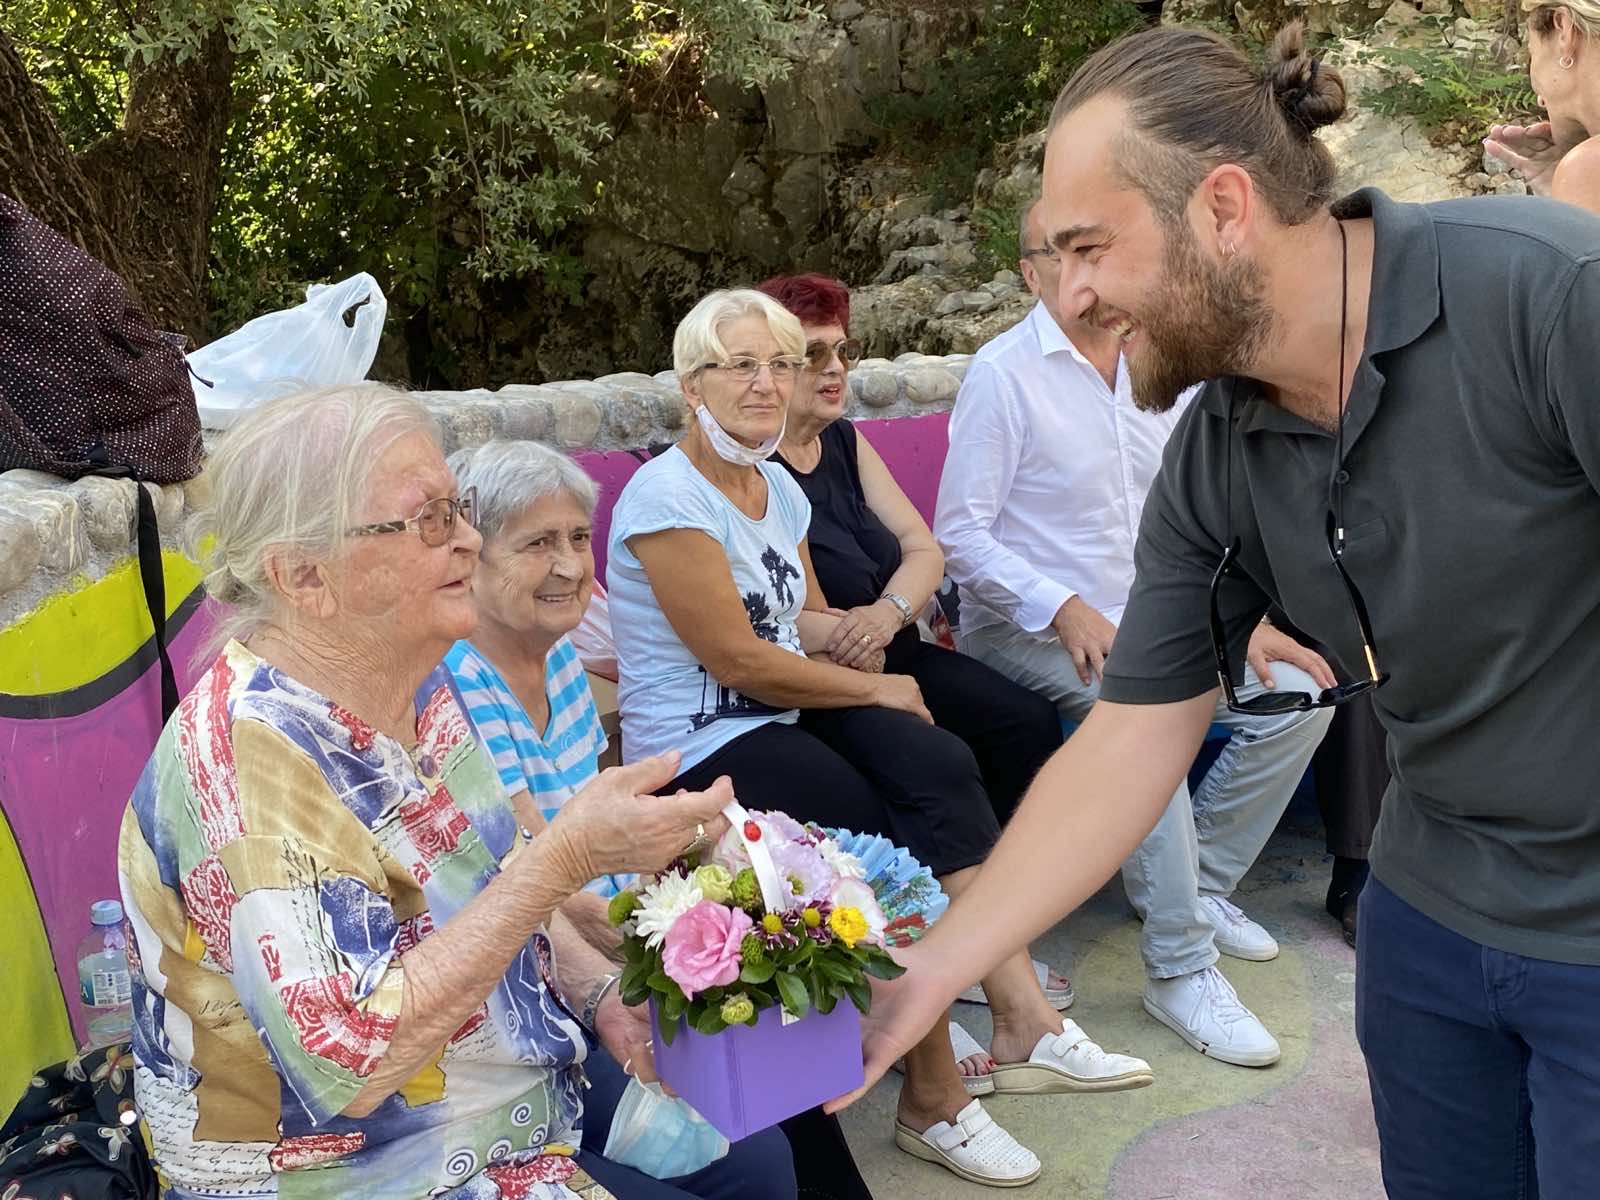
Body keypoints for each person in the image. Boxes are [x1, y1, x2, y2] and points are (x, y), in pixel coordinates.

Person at [836, 22, 1600, 1200]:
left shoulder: (1547, 293)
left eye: (1090, 248)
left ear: (1223, 210)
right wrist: (937, 969)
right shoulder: (1217, 441)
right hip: (1429, 924)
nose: (1072, 295)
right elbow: (1136, 730)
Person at [117, 384, 796, 1200]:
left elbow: (494, 868)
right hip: (350, 1161)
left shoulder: (416, 681)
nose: (471, 541)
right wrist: (567, 858)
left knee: (757, 1157)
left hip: (500, 1078)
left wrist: (599, 991)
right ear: (305, 577)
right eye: (432, 519)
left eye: (459, 512)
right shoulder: (248, 762)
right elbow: (348, 1068)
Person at [606, 289, 1150, 1190]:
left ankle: (1002, 1004)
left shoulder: (776, 485)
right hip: (697, 741)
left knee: (933, 759)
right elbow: (739, 659)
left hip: (782, 710)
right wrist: (878, 684)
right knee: (862, 831)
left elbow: (803, 622)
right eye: (741, 364)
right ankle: (933, 1092)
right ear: (690, 384)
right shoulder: (668, 497)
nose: (766, 383)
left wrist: (872, 633)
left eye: (779, 364)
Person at [933, 198, 1334, 1068]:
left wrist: (1248, 617)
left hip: (1162, 616)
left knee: (1304, 695)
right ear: (1030, 273)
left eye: (1095, 251)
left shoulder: (1161, 359)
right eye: (1059, 256)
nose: (1085, 280)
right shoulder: (1004, 375)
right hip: (1029, 632)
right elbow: (959, 534)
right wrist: (1062, 606)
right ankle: (1179, 967)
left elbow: (1199, 521)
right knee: (1140, 716)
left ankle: (1206, 884)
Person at [441, 435, 871, 1200]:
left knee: (768, 1035)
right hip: (541, 982)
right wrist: (657, 928)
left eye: (578, 537)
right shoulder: (457, 685)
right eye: (538, 543)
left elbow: (601, 810)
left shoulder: (557, 661)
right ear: (472, 555)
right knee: (742, 1038)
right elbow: (520, 863)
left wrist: (703, 851)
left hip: (601, 941)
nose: (572, 565)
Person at [755, 272, 1074, 1019]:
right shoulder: (753, 470)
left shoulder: (842, 441)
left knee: (1019, 720)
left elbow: (923, 548)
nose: (836, 370)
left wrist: (890, 613)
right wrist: (851, 634)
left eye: (844, 350)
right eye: (814, 354)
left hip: (886, 641)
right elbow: (781, 614)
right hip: (815, 674)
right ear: (771, 366)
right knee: (931, 756)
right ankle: (949, 936)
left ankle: (981, 914)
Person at [1484, 1, 1600, 212]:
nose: (1540, 101)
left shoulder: (1587, 167)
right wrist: (1563, 192)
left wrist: (1579, 179)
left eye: (1532, 54)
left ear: (1564, 30)